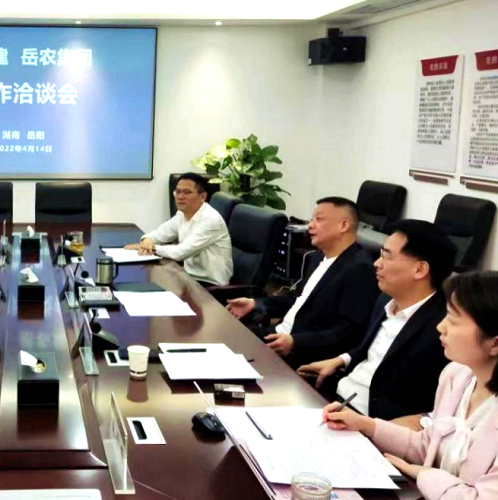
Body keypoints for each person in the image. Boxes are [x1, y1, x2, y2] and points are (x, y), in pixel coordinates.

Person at [324, 271, 498, 500]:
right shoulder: (457, 376)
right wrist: (366, 425)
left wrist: (423, 474)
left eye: (453, 320)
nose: (440, 327)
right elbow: (429, 445)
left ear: (495, 343)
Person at [297, 220, 455, 420]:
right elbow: (370, 351)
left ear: (420, 270)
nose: (377, 263)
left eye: (386, 256)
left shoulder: (443, 327)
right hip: (335, 399)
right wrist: (341, 360)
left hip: (369, 421)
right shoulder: (385, 299)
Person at [227, 197, 378, 366]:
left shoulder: (360, 269)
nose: (310, 225)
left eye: (319, 219)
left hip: (301, 353)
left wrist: (295, 342)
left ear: (343, 225)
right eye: (311, 219)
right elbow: (297, 299)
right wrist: (255, 303)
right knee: (223, 338)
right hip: (278, 336)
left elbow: (348, 332)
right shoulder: (318, 256)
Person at [126, 172, 232, 286]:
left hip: (211, 285)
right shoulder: (182, 214)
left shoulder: (211, 220)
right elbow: (159, 234)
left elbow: (180, 253)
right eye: (178, 192)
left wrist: (152, 247)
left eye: (187, 192)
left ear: (202, 197)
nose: (180, 197)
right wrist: (147, 240)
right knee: (144, 279)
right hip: (189, 277)